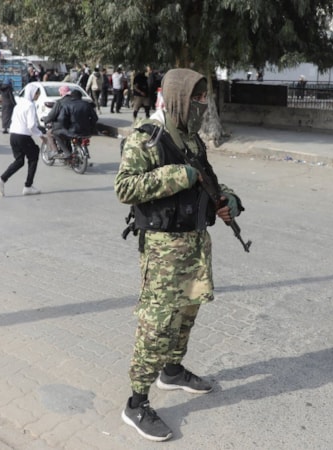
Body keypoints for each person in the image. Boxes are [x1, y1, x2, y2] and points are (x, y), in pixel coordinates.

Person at [114, 68, 243, 442]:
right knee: (157, 324)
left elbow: (208, 178)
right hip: (164, 249)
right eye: (197, 99)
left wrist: (227, 200)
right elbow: (124, 187)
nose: (202, 105)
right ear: (178, 99)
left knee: (187, 313)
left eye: (205, 98)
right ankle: (136, 402)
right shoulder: (147, 137)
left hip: (195, 245)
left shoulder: (191, 139)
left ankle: (171, 370)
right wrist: (176, 176)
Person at [0, 84, 43, 197]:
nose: (38, 95)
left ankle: (1, 180)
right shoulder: (30, 105)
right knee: (34, 155)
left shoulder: (19, 105)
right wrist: (41, 134)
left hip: (13, 135)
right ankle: (28, 186)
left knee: (19, 161)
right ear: (33, 93)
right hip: (23, 136)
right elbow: (31, 125)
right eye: (37, 93)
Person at [57, 89, 98, 156]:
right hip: (86, 131)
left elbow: (62, 119)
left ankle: (67, 154)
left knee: (60, 135)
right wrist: (91, 126)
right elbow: (95, 118)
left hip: (72, 131)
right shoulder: (87, 104)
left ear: (71, 96)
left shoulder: (67, 105)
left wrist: (64, 126)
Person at [43, 85, 77, 152]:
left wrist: (45, 119)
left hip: (63, 127)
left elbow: (52, 115)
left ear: (61, 93)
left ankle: (55, 151)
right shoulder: (75, 101)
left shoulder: (59, 102)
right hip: (75, 126)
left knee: (49, 133)